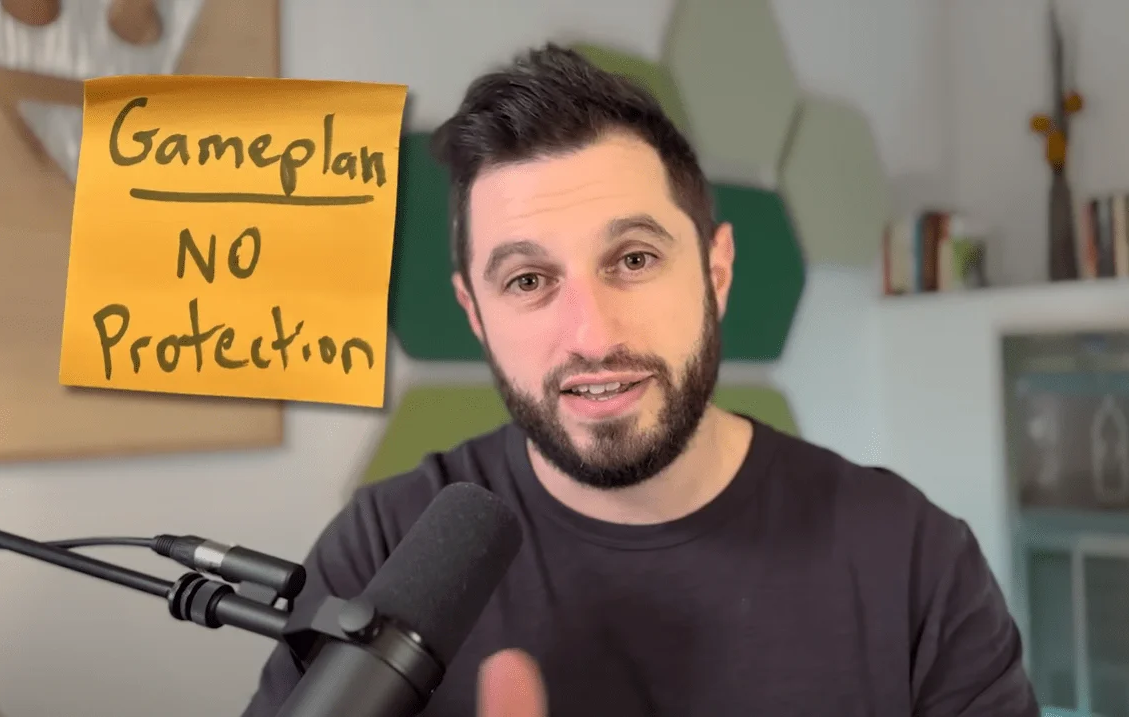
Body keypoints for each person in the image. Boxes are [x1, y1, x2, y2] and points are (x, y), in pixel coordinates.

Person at [239, 44, 1039, 717]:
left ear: (716, 272)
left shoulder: (912, 558)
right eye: (527, 280)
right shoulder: (385, 549)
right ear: (474, 313)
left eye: (633, 259)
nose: (593, 336)